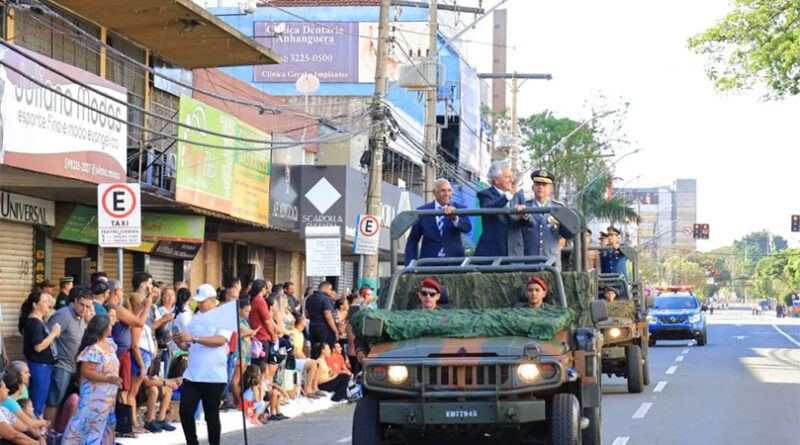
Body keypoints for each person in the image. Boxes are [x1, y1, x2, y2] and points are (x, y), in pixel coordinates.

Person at [173, 283, 233, 445]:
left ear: (212, 300)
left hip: (214, 376)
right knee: (185, 412)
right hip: (193, 374)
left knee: (211, 415)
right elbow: (188, 345)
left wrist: (194, 339)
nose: (199, 304)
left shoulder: (223, 317)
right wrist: (180, 341)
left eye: (202, 301)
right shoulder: (195, 318)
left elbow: (221, 340)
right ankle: (192, 442)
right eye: (197, 301)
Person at [62, 314, 121, 445]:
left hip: (107, 399)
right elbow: (86, 372)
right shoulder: (93, 349)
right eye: (110, 325)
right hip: (94, 397)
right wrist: (108, 379)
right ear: (103, 328)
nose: (112, 327)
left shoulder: (110, 345)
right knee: (86, 424)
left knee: (104, 426)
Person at [43, 289, 92, 423]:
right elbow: (48, 337)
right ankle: (47, 435)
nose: (84, 309)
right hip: (60, 366)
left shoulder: (81, 318)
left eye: (88, 306)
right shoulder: (64, 315)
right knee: (54, 402)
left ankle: (56, 432)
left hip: (72, 367)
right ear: (75, 301)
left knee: (63, 402)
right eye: (82, 304)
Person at [405, 178, 473, 265]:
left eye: (449, 190)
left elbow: (467, 227)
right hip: (429, 264)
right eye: (443, 191)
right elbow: (413, 240)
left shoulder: (459, 208)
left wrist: (455, 218)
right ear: (434, 192)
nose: (447, 194)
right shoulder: (422, 211)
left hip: (454, 264)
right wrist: (410, 265)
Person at [474, 160, 532, 257]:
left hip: (514, 252)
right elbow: (489, 210)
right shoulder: (485, 194)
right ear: (496, 179)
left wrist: (525, 215)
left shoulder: (519, 195)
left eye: (511, 176)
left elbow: (531, 223)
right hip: (492, 251)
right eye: (507, 177)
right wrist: (509, 195)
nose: (512, 180)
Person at [18, 291, 60, 417]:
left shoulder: (39, 322)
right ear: (35, 305)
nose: (49, 304)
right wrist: (53, 334)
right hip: (39, 366)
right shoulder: (34, 323)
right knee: (37, 403)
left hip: (44, 366)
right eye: (45, 301)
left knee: (40, 402)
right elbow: (38, 346)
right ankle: (35, 433)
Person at [522, 169, 572, 270]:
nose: (541, 187)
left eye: (544, 184)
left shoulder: (559, 208)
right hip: (529, 262)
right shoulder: (525, 206)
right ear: (533, 187)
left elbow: (567, 233)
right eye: (538, 184)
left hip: (551, 263)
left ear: (550, 189)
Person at [127, 291, 156, 433]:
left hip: (146, 356)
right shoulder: (136, 320)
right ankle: (133, 423)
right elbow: (135, 344)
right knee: (132, 392)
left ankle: (134, 421)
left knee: (135, 391)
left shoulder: (136, 317)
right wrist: (142, 365)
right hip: (140, 357)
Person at [0, 374, 41, 445]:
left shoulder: (3, 409)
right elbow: (12, 435)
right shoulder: (9, 402)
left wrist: (37, 434)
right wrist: (38, 443)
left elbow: (21, 425)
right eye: (4, 388)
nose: (8, 390)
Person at [305, 282, 338, 349]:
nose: (330, 291)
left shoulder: (309, 298)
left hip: (312, 327)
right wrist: (335, 330)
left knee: (315, 350)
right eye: (330, 289)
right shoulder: (326, 299)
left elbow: (307, 315)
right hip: (324, 329)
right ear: (325, 288)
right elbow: (328, 316)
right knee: (325, 349)